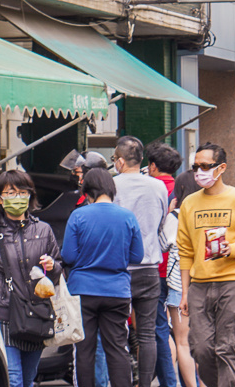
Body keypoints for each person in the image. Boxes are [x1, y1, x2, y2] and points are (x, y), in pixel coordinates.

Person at [176, 143, 235, 387]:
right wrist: (184, 292)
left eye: (205, 166)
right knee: (201, 348)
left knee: (227, 347)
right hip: (199, 286)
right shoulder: (189, 204)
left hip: (232, 283)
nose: (199, 172)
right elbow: (185, 250)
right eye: (195, 167)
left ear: (221, 168)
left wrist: (232, 249)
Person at [0, 170, 62, 387]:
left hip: (37, 316)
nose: (17, 197)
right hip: (5, 317)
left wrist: (53, 266)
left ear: (30, 195)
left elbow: (59, 271)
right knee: (14, 379)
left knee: (28, 379)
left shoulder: (43, 231)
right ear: (0, 198)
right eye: (10, 193)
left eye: (22, 192)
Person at [61, 168, 142, 387]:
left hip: (83, 291)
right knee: (116, 347)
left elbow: (68, 255)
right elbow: (137, 256)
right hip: (117, 291)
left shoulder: (78, 216)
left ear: (87, 191)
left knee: (85, 349)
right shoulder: (127, 216)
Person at [111, 136, 168, 387]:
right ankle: (144, 384)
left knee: (117, 335)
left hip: (118, 269)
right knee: (146, 334)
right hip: (149, 270)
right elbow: (161, 223)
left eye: (114, 159)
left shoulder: (111, 186)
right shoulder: (158, 187)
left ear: (120, 161)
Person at [145, 143, 182, 387]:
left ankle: (169, 382)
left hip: (158, 267)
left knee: (158, 329)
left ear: (153, 166)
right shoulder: (185, 189)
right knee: (184, 335)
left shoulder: (151, 189)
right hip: (182, 270)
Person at [162, 169, 200, 387]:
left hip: (179, 285)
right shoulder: (206, 212)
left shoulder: (174, 216)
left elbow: (161, 244)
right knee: (204, 342)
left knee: (183, 342)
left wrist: (168, 212)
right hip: (205, 282)